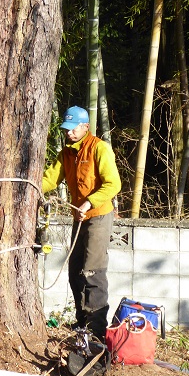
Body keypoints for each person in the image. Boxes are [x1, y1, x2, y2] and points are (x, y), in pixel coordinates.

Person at [42, 105, 121, 341]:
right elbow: (50, 178)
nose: (68, 133)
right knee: (75, 270)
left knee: (92, 272)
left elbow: (113, 184)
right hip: (80, 218)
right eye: (66, 129)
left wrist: (89, 202)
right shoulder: (66, 152)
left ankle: (96, 332)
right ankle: (81, 323)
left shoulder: (99, 148)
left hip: (98, 216)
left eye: (73, 129)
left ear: (85, 127)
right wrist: (32, 187)